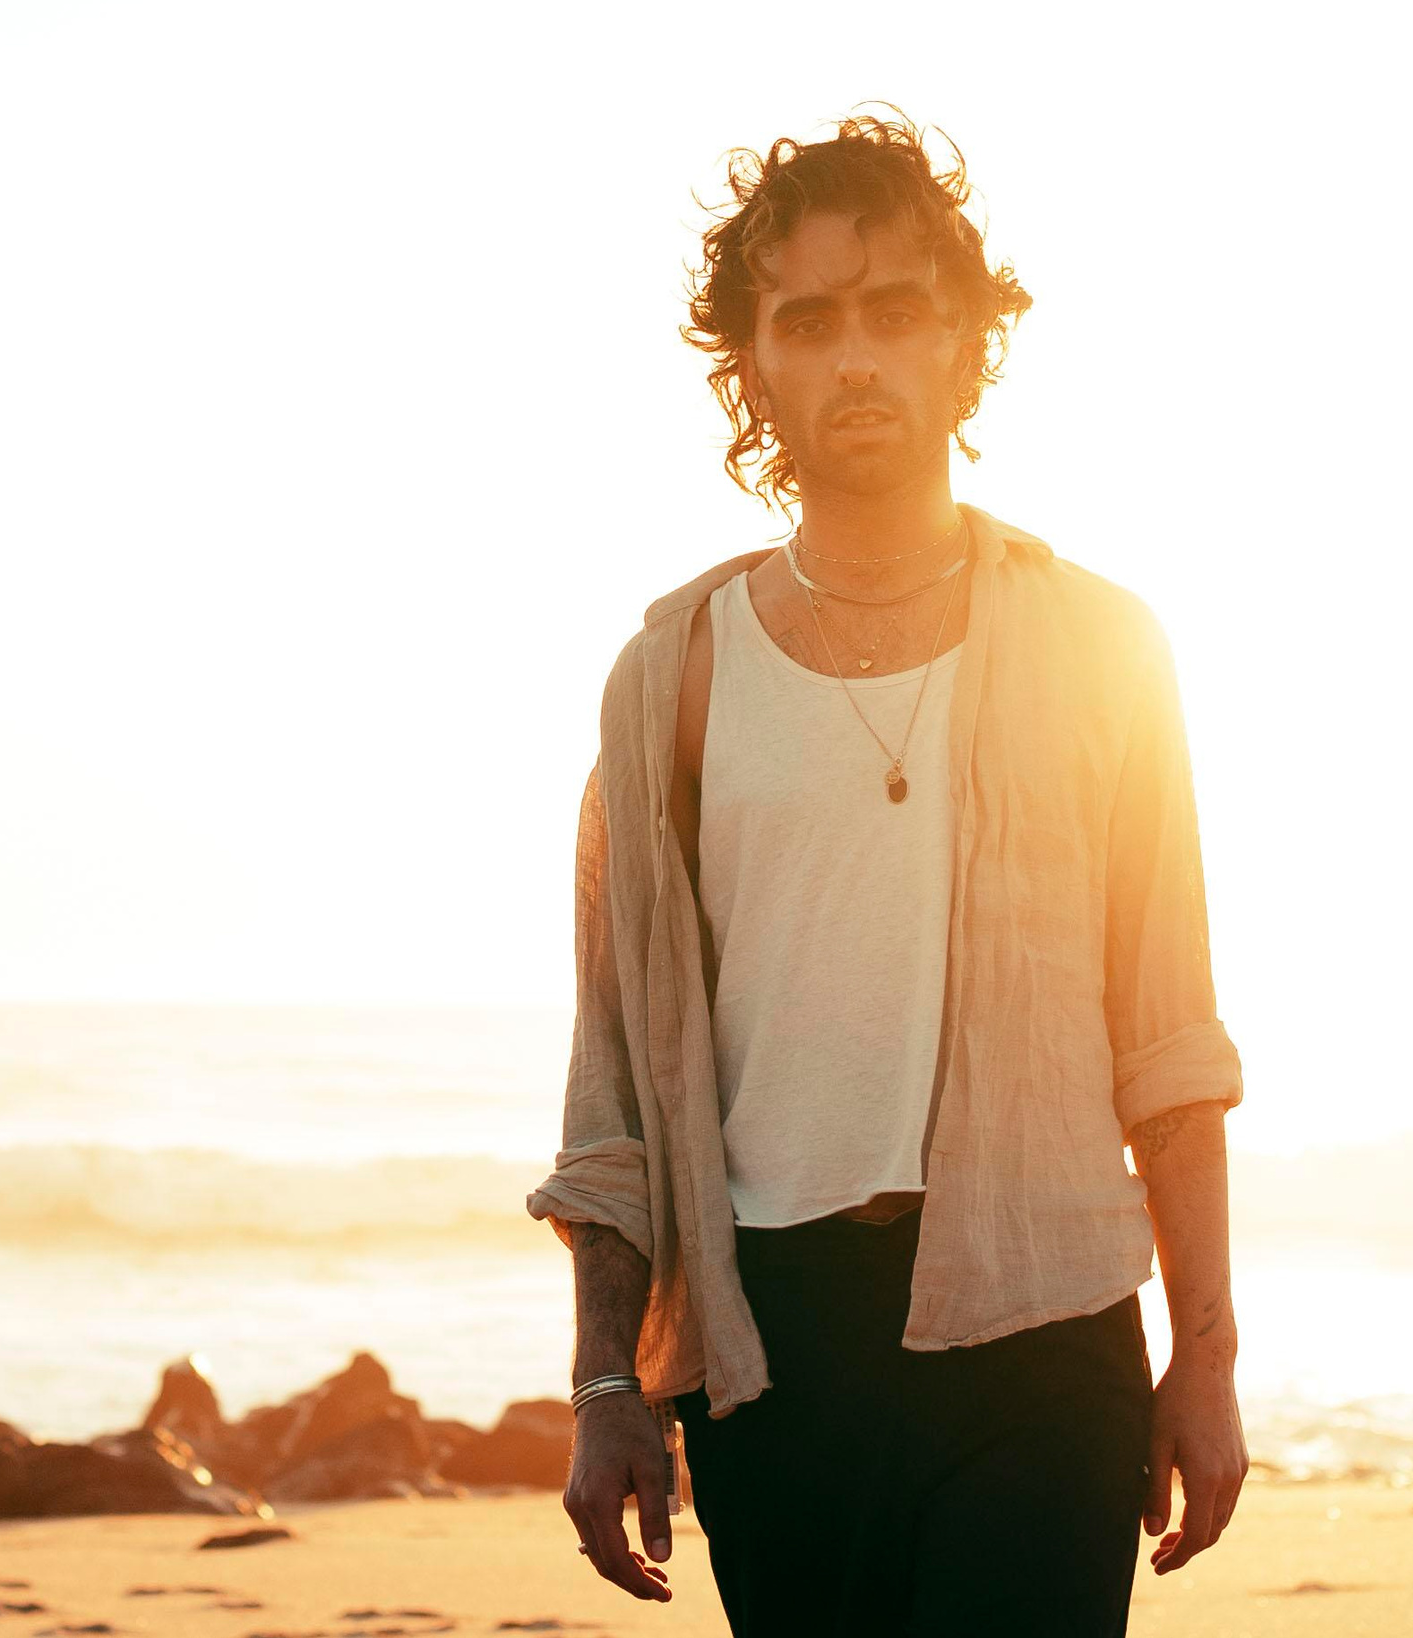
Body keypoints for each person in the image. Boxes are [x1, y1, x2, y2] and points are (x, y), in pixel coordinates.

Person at [525, 108, 1246, 1636]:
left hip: (1045, 1318)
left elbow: (1171, 1047)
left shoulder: (1105, 646)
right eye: (809, 320)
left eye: (897, 311)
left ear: (964, 345)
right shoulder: (672, 678)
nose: (856, 356)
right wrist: (605, 1382)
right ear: (754, 364)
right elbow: (616, 1091)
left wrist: (1208, 1359)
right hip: (778, 1351)